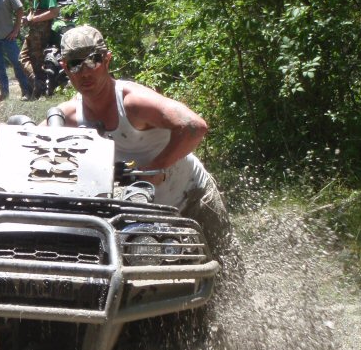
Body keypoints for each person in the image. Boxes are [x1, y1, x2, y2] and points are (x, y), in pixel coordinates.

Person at [52, 25, 239, 274]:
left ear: (107, 60)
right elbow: (29, 146)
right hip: (140, 219)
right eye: (75, 64)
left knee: (229, 269)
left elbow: (194, 127)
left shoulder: (132, 102)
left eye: (92, 60)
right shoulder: (71, 116)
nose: (85, 72)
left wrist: (155, 167)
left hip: (192, 198)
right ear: (65, 67)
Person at [19, 0, 60, 99]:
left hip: (41, 32)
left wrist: (35, 19)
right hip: (33, 30)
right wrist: (28, 18)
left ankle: (38, 91)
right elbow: (34, 11)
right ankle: (38, 84)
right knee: (24, 58)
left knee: (36, 61)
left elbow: (54, 12)